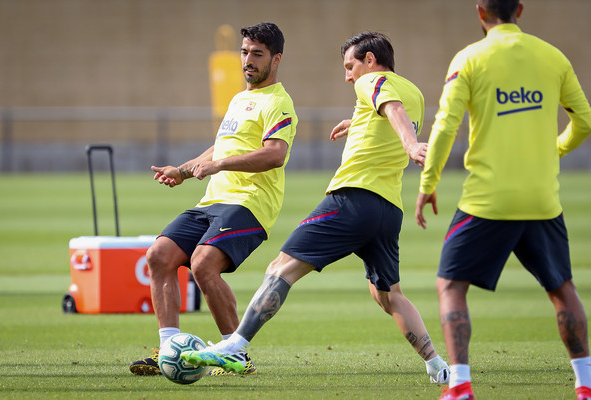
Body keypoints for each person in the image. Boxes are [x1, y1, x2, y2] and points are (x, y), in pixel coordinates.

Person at [180, 31, 450, 384]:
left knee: (282, 268)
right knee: (388, 295)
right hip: (387, 210)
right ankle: (436, 365)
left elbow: (390, 108)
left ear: (369, 60)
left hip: (352, 199)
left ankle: (236, 344)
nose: (347, 76)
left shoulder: (373, 80)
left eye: (350, 66)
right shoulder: (412, 90)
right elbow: (390, 112)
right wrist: (359, 123)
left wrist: (411, 145)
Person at [414, 1, 591, 399]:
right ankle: (585, 386)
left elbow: (445, 125)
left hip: (487, 202)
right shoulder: (553, 56)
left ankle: (459, 385)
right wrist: (555, 150)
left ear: (480, 12)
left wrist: (429, 182)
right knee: (562, 288)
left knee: (451, 285)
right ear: (520, 10)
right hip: (543, 199)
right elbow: (585, 120)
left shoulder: (469, 59)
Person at [129, 22, 298, 377]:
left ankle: (235, 351)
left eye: (257, 54)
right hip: (213, 201)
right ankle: (169, 348)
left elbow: (275, 154)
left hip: (250, 203)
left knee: (203, 263)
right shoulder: (239, 99)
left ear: (276, 59)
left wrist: (218, 164)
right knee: (158, 255)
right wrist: (184, 170)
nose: (248, 60)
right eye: (244, 52)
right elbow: (220, 149)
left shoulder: (279, 102)